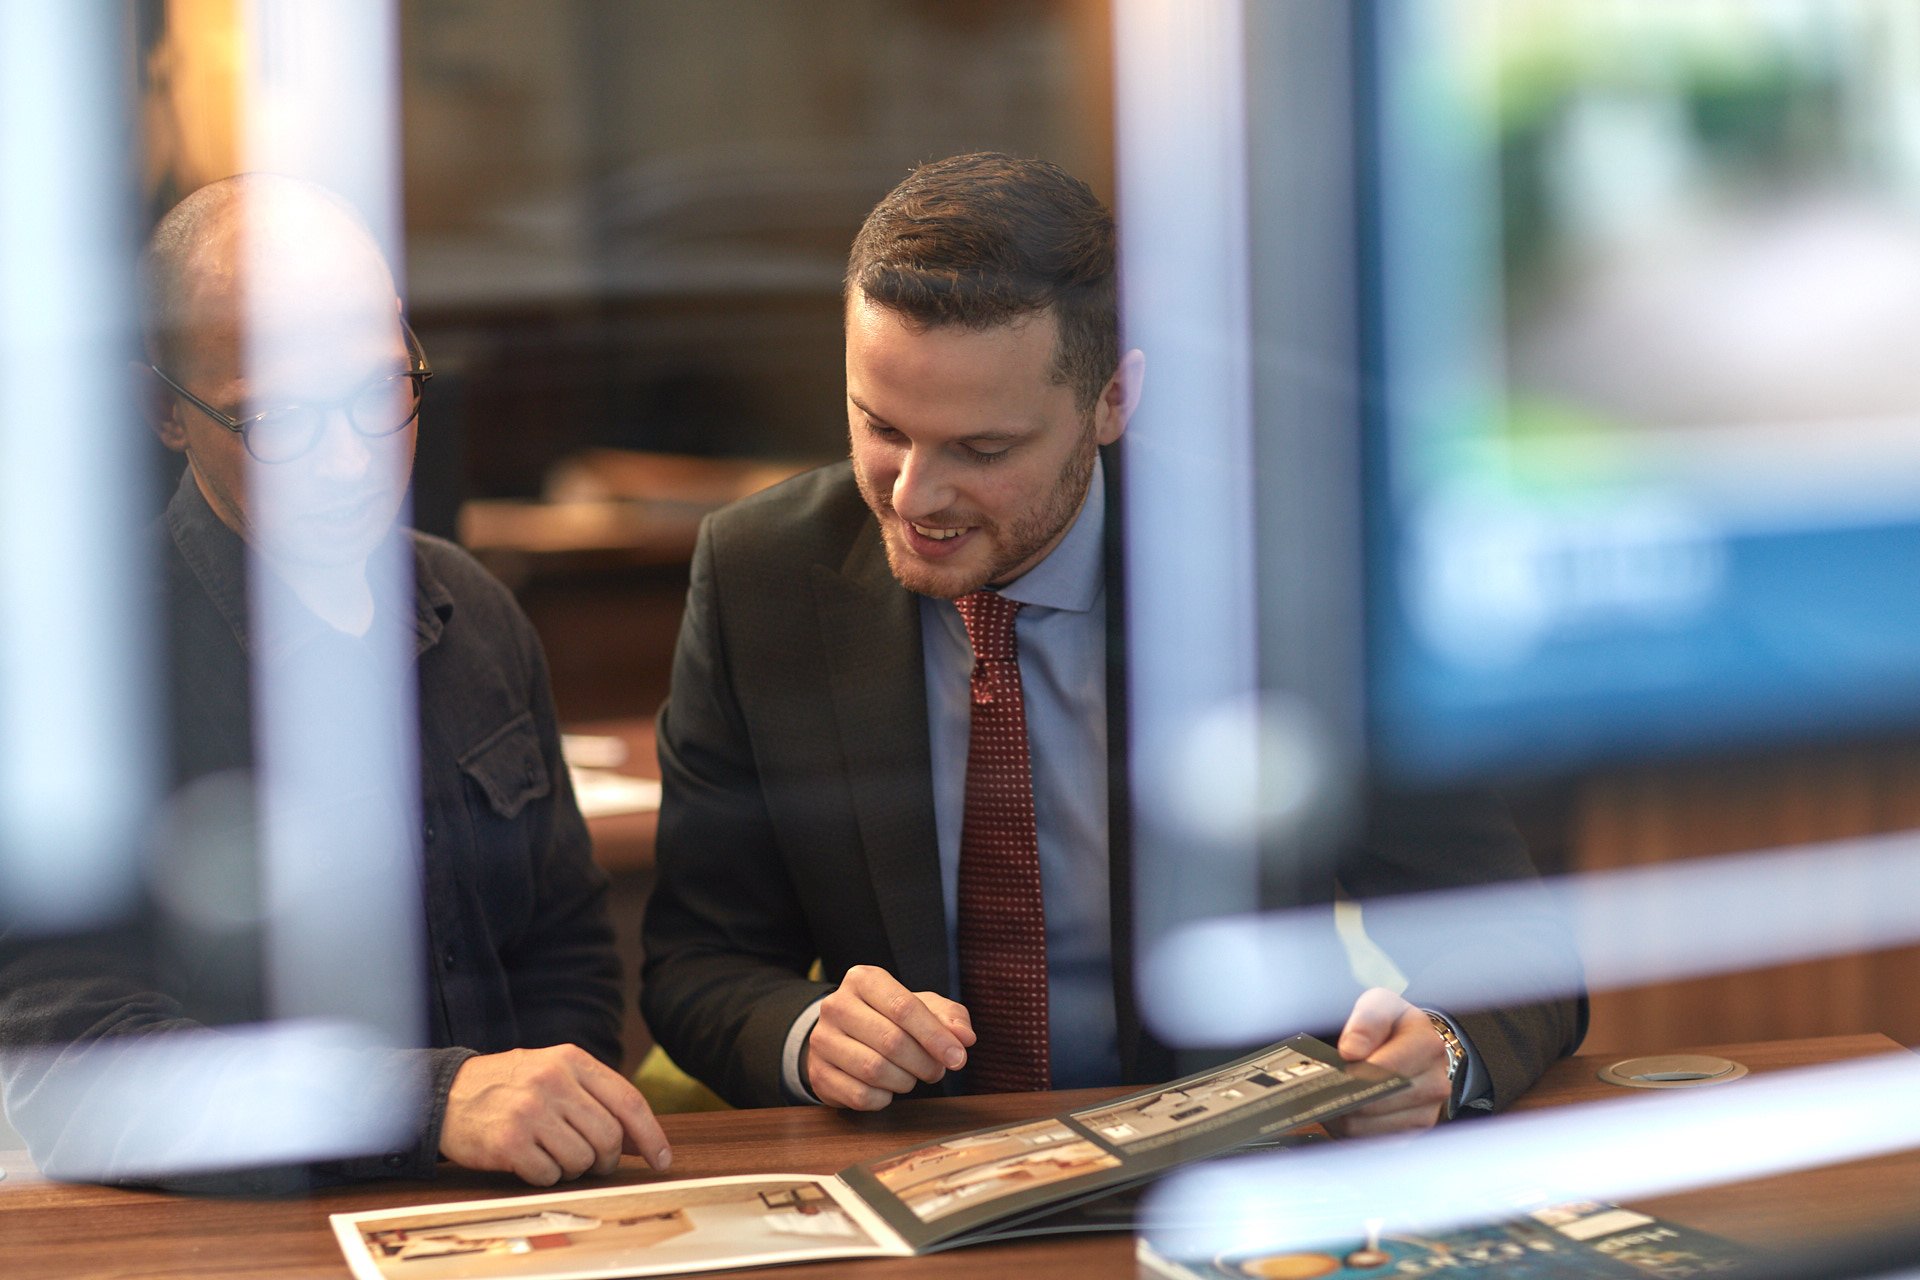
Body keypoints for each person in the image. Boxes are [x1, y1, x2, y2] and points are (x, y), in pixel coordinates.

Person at [641, 152, 1584, 1124]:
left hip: (1232, 1166)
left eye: (982, 449)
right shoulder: (759, 576)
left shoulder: (1274, 579)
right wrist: (808, 1034)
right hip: (915, 1170)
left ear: (1113, 401)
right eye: (881, 427)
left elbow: (1504, 943)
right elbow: (699, 961)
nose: (914, 495)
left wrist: (1443, 1047)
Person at [0, 174, 669, 1189]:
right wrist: (426, 1102)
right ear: (166, 413)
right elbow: (78, 1069)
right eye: (276, 418)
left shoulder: (476, 611)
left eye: (375, 393)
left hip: (501, 1217)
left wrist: (541, 1128)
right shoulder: (89, 679)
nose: (350, 458)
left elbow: (566, 955)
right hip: (239, 1237)